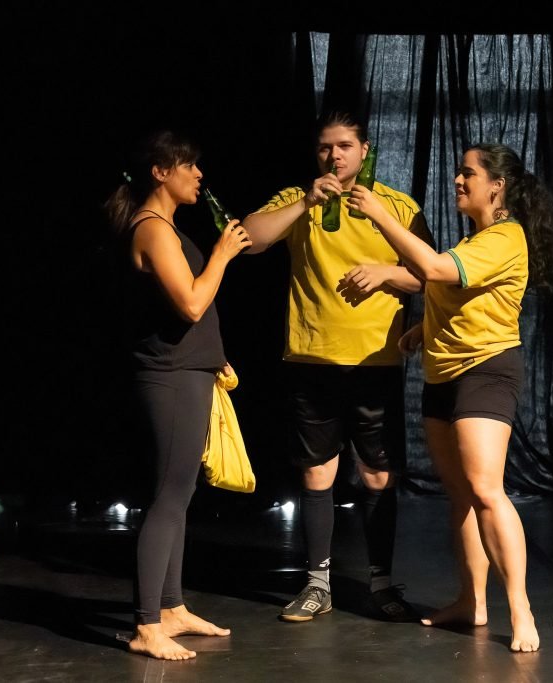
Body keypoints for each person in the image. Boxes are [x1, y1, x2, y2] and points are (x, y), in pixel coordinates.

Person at [348, 143, 553, 652]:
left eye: (469, 173)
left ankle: (521, 609)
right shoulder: (477, 239)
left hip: (485, 371)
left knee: (486, 490)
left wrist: (379, 213)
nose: (458, 180)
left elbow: (434, 270)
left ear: (498, 185)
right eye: (458, 172)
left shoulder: (506, 237)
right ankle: (472, 601)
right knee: (461, 497)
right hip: (443, 374)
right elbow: (465, 297)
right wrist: (424, 328)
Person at [242, 110, 433, 623]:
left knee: (377, 474)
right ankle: (318, 583)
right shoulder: (298, 198)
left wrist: (385, 272)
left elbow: (429, 274)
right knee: (316, 471)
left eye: (345, 146)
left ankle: (381, 583)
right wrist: (305, 202)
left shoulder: (396, 205)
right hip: (313, 356)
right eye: (326, 147)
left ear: (365, 150)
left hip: (375, 360)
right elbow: (250, 239)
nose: (334, 156)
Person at [104, 130, 250, 660]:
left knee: (180, 493)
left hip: (189, 371)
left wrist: (213, 356)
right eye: (189, 165)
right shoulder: (151, 227)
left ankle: (170, 607)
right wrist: (222, 254)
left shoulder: (167, 228)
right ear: (160, 172)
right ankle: (147, 624)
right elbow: (190, 303)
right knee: (167, 494)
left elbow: (185, 315)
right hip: (168, 375)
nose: (199, 174)